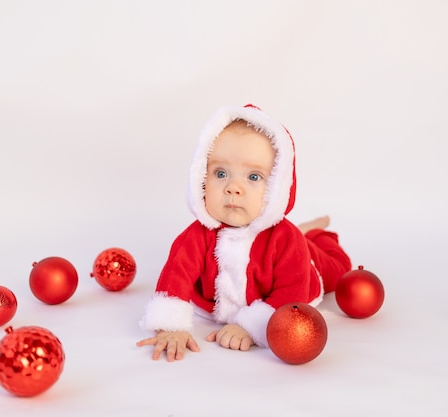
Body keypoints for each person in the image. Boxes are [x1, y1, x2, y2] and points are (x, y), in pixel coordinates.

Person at [136, 104, 351, 361]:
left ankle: (318, 235)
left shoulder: (286, 240)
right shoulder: (197, 234)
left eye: (253, 177)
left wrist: (251, 327)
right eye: (221, 173)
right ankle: (309, 229)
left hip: (311, 262)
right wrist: (171, 326)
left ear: (277, 187)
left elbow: (291, 292)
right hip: (219, 301)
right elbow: (175, 277)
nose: (233, 188)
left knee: (339, 269)